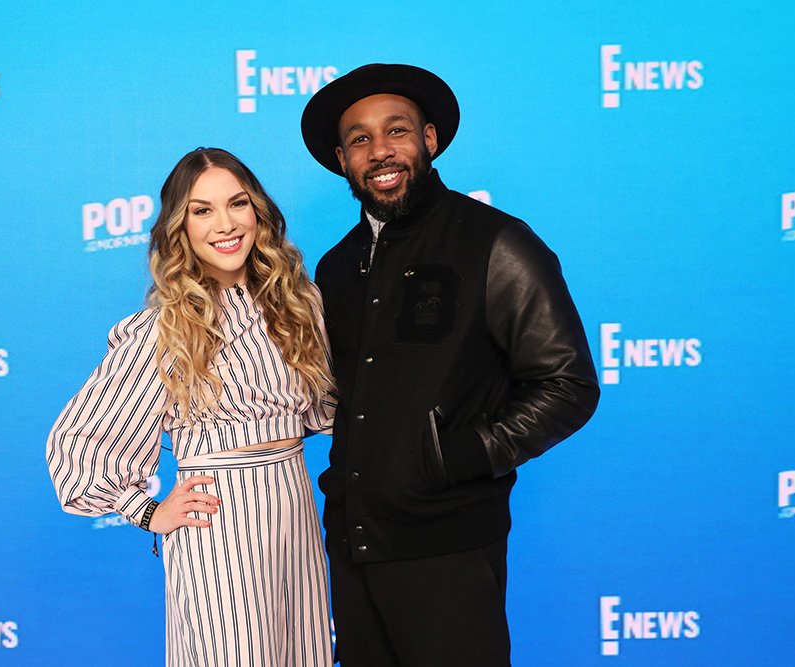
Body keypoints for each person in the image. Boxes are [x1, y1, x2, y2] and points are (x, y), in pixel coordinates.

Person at [300, 64, 601, 666]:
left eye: (397, 131)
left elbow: (568, 383)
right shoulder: (336, 267)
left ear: (430, 140)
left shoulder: (496, 243)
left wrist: (459, 455)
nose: (380, 150)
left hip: (450, 543)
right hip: (354, 542)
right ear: (341, 158)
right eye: (360, 139)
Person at [46, 147, 336, 667]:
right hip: (218, 527)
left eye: (237, 204)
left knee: (302, 652)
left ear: (259, 213)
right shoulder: (165, 329)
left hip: (294, 513)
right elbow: (77, 444)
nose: (225, 224)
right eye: (202, 210)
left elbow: (321, 410)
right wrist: (147, 510)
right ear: (180, 227)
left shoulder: (299, 304)